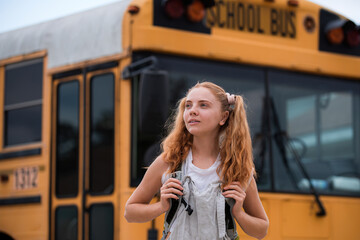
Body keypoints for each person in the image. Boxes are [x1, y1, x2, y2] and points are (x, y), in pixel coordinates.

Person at [125, 82, 269, 239]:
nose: (192, 111)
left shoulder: (237, 168)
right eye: (188, 105)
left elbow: (262, 230)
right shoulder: (169, 162)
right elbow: (130, 212)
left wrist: (239, 213)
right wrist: (161, 206)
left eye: (203, 105)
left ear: (223, 117)